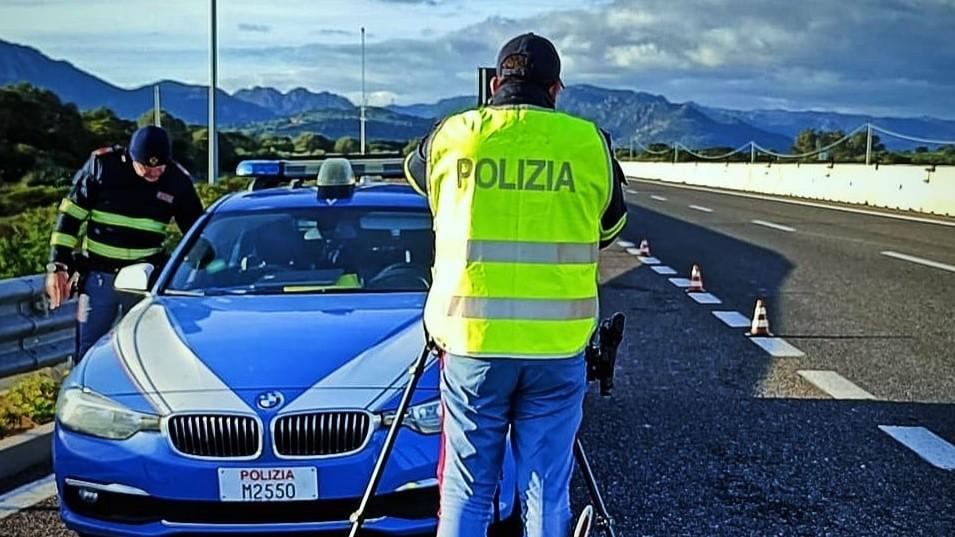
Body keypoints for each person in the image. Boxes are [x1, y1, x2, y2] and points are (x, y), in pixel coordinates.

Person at [403, 33, 628, 537]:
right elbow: (610, 227)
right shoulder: (588, 142)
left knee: (468, 489)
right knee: (545, 490)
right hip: (556, 345)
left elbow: (417, 172)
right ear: (557, 88)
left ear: (496, 82)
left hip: (471, 342)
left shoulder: (454, 134)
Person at [45, 125, 203, 361]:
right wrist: (58, 264)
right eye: (146, 167)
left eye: (159, 166)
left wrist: (213, 269)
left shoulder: (177, 181)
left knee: (146, 353)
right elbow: (70, 216)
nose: (154, 173)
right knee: (89, 354)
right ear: (131, 157)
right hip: (100, 278)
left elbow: (197, 234)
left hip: (146, 280)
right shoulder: (103, 166)